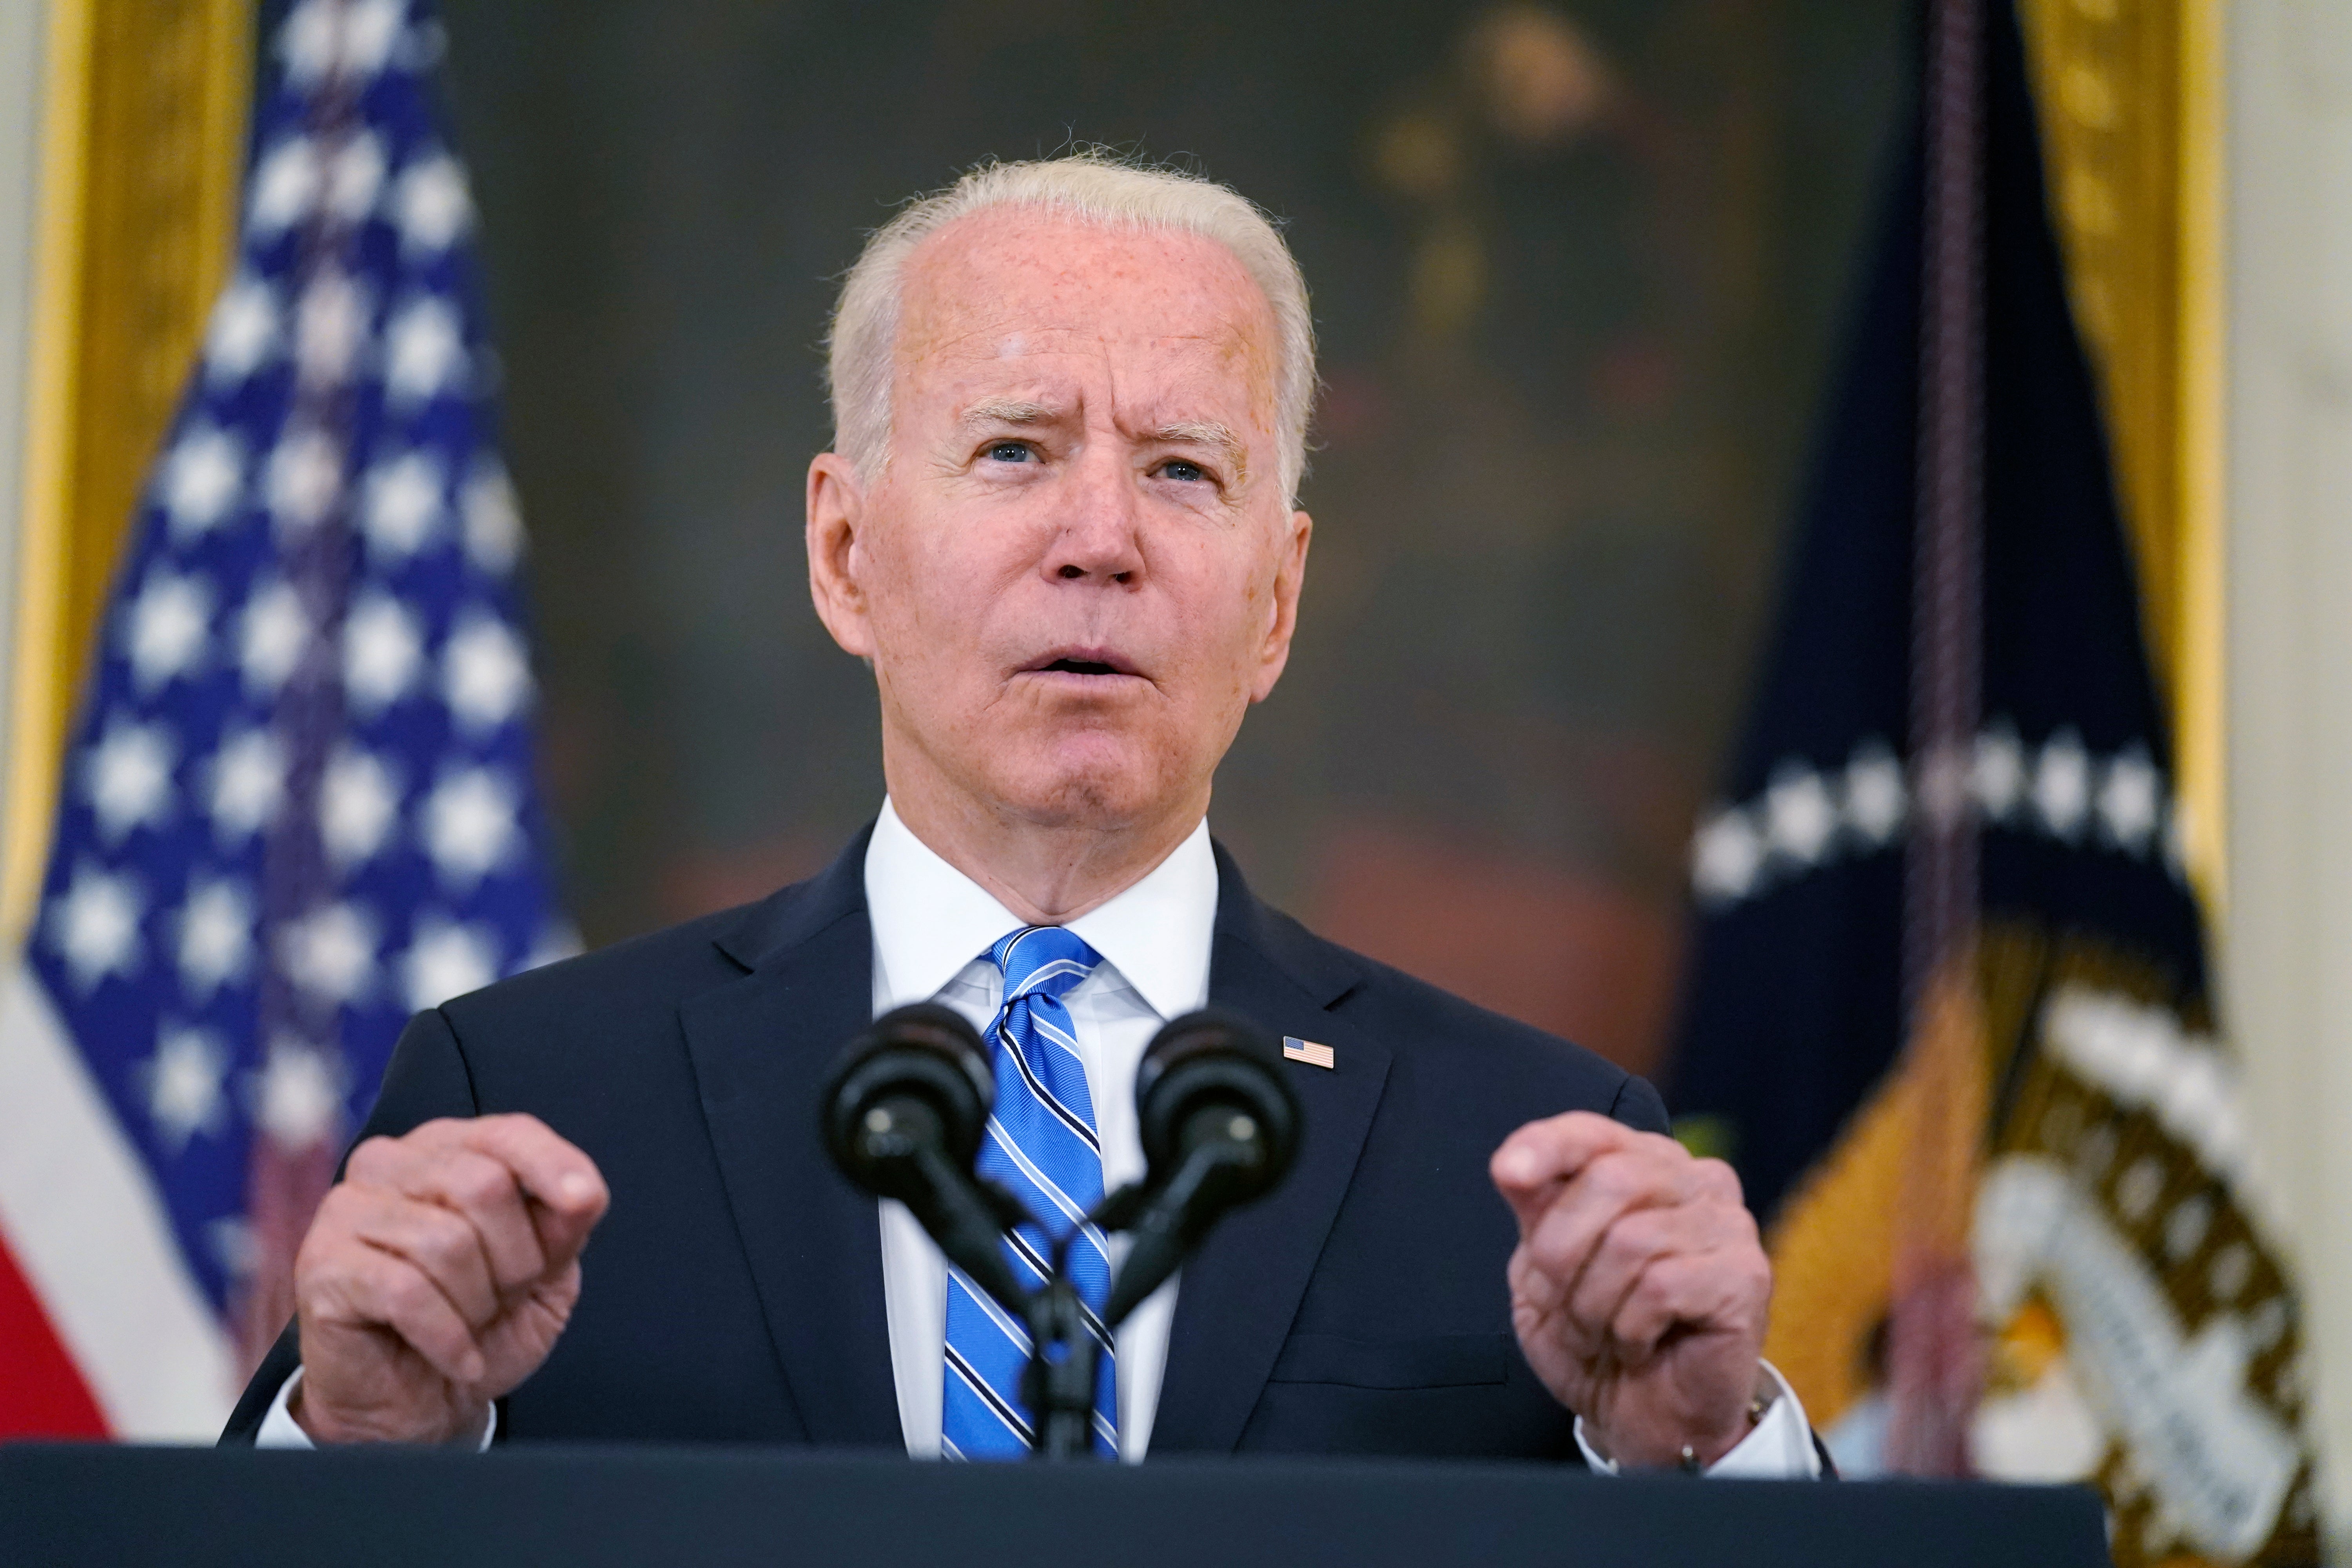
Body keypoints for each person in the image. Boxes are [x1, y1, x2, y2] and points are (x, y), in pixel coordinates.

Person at [221, 153, 1817, 1475]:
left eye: (1185, 471)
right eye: (1014, 450)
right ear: (847, 556)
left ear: (1278, 602)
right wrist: (367, 1438)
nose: (1100, 539)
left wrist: (1708, 1455)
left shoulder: (1527, 1154)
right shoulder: (535, 1108)